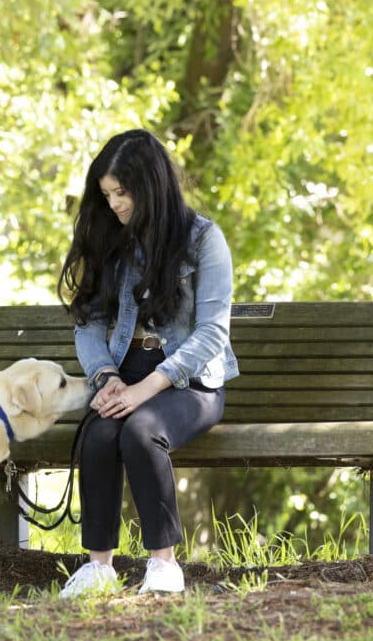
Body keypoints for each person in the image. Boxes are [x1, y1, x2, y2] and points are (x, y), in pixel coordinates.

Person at [55, 129, 239, 597]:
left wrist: (146, 388)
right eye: (107, 194)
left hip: (190, 384)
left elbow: (213, 333)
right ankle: (99, 567)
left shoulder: (204, 240)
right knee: (99, 434)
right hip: (126, 374)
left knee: (141, 432)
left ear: (150, 186)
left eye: (122, 193)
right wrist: (108, 377)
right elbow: (90, 324)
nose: (114, 204)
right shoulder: (111, 241)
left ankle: (163, 566)